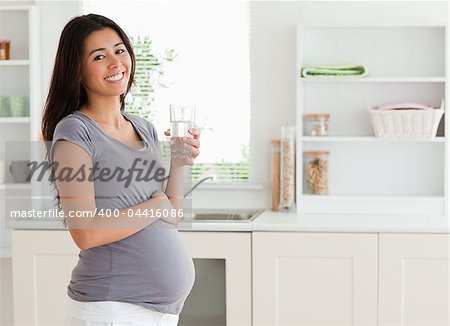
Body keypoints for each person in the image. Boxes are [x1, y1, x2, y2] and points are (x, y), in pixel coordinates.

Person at [41, 14, 200, 326]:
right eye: (99, 56)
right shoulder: (75, 132)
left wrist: (180, 163)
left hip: (160, 312)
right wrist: (156, 204)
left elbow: (172, 216)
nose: (116, 63)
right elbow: (85, 233)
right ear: (78, 69)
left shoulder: (143, 127)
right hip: (112, 309)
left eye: (120, 50)